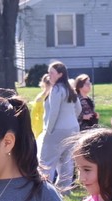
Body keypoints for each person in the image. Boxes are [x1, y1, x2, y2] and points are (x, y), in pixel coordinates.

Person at [38, 61, 79, 191]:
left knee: (46, 161)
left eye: (51, 73)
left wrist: (48, 130)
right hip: (73, 129)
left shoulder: (56, 89)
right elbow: (78, 109)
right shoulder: (70, 89)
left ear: (60, 74)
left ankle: (45, 188)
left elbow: (54, 111)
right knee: (66, 161)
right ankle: (64, 189)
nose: (48, 75)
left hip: (56, 130)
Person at [30, 73, 51, 139]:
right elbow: (34, 113)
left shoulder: (54, 96)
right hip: (41, 124)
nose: (49, 86)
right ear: (44, 84)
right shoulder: (40, 98)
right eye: (47, 84)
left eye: (50, 84)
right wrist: (33, 126)